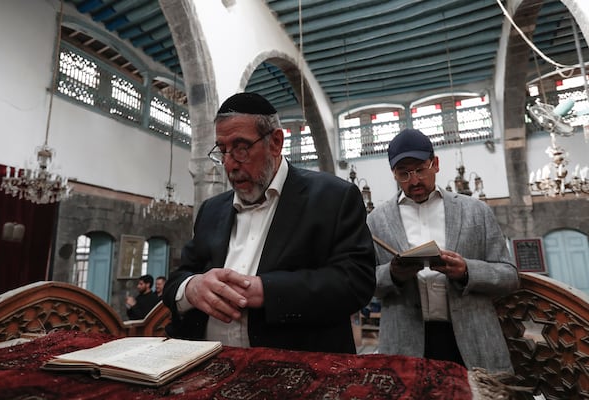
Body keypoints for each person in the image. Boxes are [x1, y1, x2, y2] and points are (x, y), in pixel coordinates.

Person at [162, 92, 376, 354]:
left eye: (241, 148)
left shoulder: (332, 198)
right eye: (222, 150)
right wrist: (191, 288)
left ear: (275, 143)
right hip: (205, 366)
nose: (229, 164)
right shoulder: (211, 209)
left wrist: (267, 291)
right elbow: (177, 278)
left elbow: (356, 282)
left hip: (297, 372)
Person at [366, 128, 519, 373]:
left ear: (435, 164)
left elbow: (510, 276)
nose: (414, 180)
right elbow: (364, 283)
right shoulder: (376, 221)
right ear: (393, 173)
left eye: (420, 170)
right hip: (406, 343)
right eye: (403, 174)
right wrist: (393, 274)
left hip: (473, 339)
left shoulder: (475, 211)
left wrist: (467, 271)